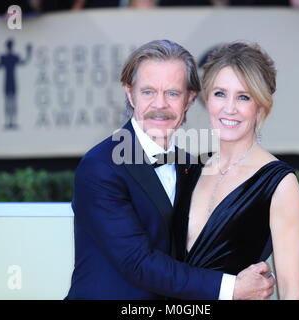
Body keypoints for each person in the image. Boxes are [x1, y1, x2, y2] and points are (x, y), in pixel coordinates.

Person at [66, 39, 275, 300]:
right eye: (148, 92)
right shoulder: (101, 167)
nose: (160, 105)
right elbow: (138, 263)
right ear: (129, 93)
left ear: (189, 99)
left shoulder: (192, 165)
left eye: (172, 93)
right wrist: (232, 288)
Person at [173, 41, 299, 299]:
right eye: (220, 93)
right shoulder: (190, 170)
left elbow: (292, 293)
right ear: (207, 98)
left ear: (260, 106)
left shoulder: (279, 184)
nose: (229, 108)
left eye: (243, 97)